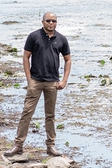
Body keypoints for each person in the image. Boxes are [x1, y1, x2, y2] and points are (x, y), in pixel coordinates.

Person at [5, 12, 71, 157]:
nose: (51, 23)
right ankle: (18, 145)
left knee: (50, 115)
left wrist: (64, 80)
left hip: (53, 82)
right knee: (27, 112)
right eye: (48, 20)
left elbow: (68, 59)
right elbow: (26, 56)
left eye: (54, 21)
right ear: (42, 22)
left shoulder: (61, 39)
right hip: (35, 81)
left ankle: (51, 146)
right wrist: (29, 79)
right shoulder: (34, 36)